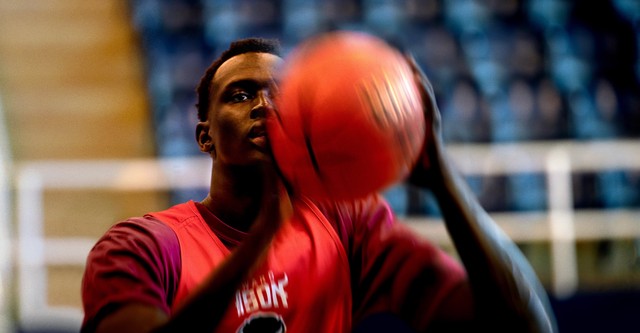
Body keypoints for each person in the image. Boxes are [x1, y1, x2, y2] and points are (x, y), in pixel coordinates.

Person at [81, 37, 557, 333]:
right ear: (205, 135)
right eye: (242, 95)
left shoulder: (348, 225)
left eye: (281, 96)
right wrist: (260, 241)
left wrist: (442, 180)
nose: (265, 106)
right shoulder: (141, 245)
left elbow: (525, 325)